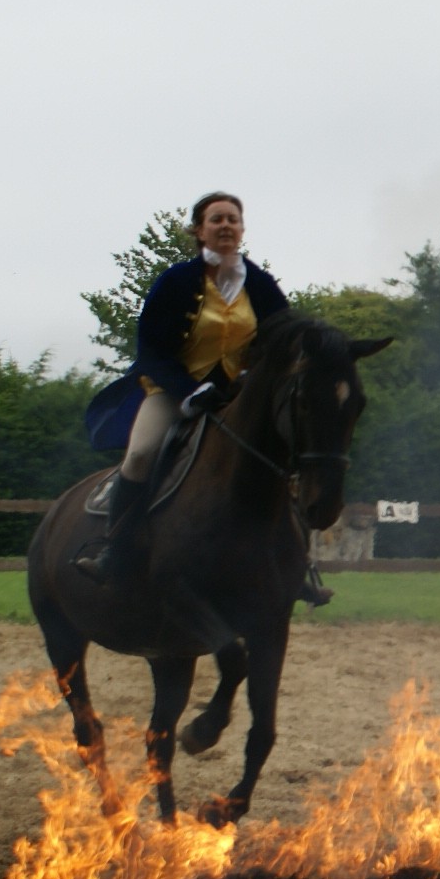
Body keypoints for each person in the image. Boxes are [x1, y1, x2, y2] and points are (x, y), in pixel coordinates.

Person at [76, 191, 295, 586]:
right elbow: (151, 351)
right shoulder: (175, 281)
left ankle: (297, 565)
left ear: (242, 229)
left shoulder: (260, 284)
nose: (226, 225)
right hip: (171, 395)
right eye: (217, 219)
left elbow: (284, 338)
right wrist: (189, 392)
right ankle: (116, 549)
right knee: (141, 454)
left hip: (238, 399)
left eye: (233, 219)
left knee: (282, 455)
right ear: (199, 230)